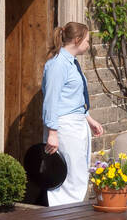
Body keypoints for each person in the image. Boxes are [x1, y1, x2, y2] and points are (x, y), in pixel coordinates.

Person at [41, 22, 104, 205]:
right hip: (64, 126)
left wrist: (89, 119)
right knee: (67, 174)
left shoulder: (72, 63)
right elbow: (51, 99)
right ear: (77, 40)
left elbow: (73, 98)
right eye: (86, 40)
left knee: (77, 172)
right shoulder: (58, 65)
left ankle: (73, 211)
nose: (88, 44)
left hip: (76, 123)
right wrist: (52, 132)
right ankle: (63, 215)